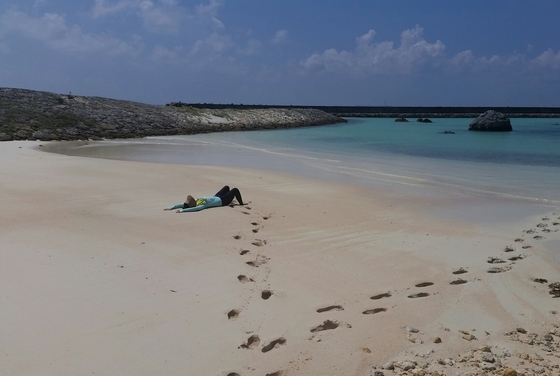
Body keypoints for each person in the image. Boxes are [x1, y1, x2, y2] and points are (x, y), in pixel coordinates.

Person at [164, 186, 244, 213]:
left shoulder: (196, 200)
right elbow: (194, 209)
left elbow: (181, 204)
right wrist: (182, 211)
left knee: (226, 187)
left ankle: (231, 198)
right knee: (235, 190)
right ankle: (241, 204)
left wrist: (170, 207)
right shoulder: (201, 205)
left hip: (216, 196)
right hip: (222, 201)